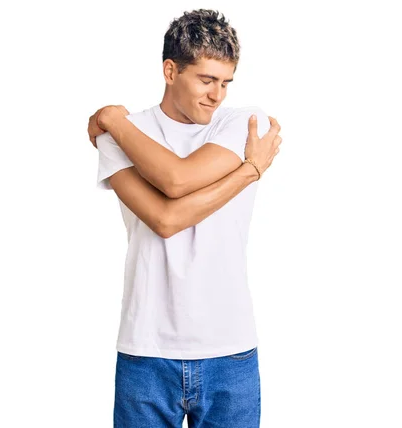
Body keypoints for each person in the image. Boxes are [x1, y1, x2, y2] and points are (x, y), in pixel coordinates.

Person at [87, 9, 282, 428]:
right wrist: (250, 170)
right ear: (170, 70)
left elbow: (175, 181)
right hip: (146, 350)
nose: (218, 95)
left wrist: (110, 120)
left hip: (229, 350)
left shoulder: (244, 123)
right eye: (206, 80)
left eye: (226, 82)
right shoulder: (124, 133)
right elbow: (166, 215)